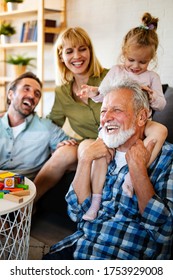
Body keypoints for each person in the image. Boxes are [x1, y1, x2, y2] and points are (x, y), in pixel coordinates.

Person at [43, 78, 173, 260]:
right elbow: (76, 212)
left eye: (117, 110)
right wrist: (85, 159)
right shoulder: (99, 151)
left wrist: (138, 171)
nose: (106, 117)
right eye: (104, 111)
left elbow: (165, 231)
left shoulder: (167, 158)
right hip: (81, 248)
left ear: (142, 117)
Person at [77, 12, 168, 221]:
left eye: (143, 62)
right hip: (117, 126)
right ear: (123, 54)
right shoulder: (117, 71)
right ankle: (96, 202)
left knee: (161, 130)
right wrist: (93, 93)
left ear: (151, 59)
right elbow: (103, 94)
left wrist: (152, 96)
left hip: (142, 122)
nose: (136, 66)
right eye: (131, 60)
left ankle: (132, 175)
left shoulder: (152, 77)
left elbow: (162, 105)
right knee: (100, 157)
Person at [33, 27, 109, 202]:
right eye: (69, 51)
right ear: (61, 57)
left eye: (82, 48)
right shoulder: (62, 92)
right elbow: (51, 122)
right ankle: (26, 206)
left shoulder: (110, 78)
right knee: (63, 152)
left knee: (85, 151)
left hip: (113, 144)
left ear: (90, 50)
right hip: (86, 146)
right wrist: (19, 117)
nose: (77, 56)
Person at [0, 71, 72, 181]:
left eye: (37, 94)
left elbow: (73, 150)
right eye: (26, 89)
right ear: (11, 94)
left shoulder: (47, 127)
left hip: (26, 191)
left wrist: (61, 149)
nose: (31, 96)